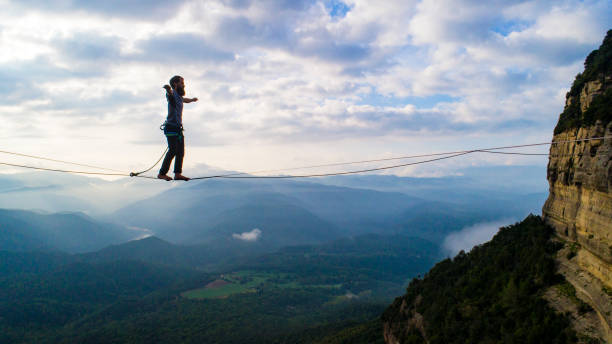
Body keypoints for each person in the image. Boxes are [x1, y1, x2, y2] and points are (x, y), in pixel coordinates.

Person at [157, 75, 198, 181]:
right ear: (175, 83)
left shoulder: (179, 97)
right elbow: (169, 96)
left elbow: (185, 100)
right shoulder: (173, 94)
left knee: (180, 152)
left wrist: (192, 100)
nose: (183, 84)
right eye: (181, 82)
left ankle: (177, 174)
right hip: (171, 128)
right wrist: (168, 89)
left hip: (177, 129)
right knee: (173, 150)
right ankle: (162, 173)